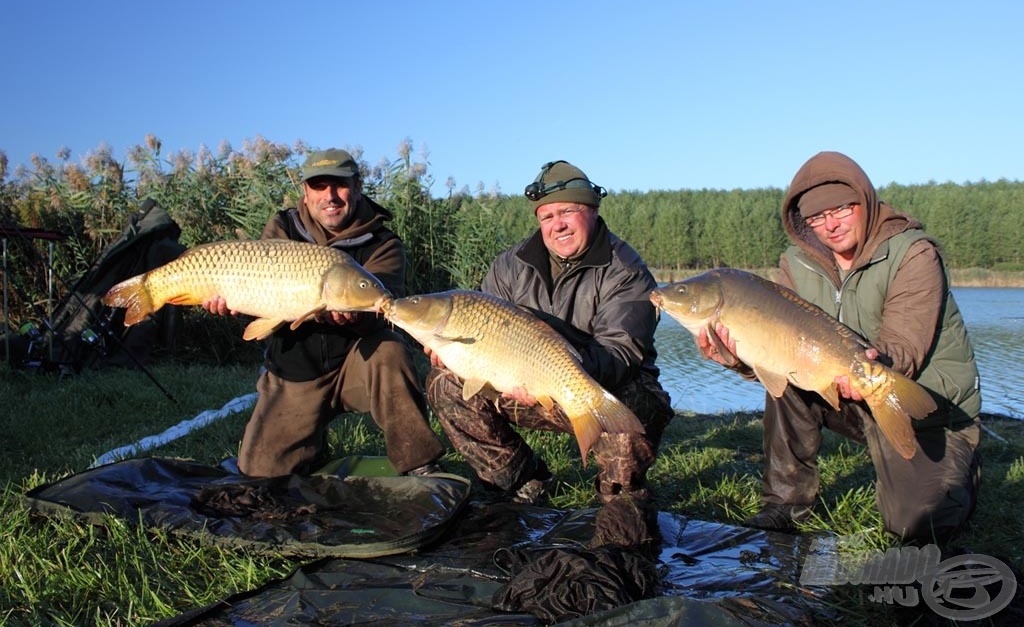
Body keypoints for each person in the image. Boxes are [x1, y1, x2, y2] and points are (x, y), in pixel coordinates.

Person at [699, 151, 982, 543]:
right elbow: (770, 349)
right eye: (816, 217)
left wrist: (866, 368)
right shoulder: (796, 265)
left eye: (841, 209)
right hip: (853, 394)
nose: (829, 225)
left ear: (864, 202)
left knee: (917, 526)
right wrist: (736, 361)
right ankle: (784, 504)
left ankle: (960, 462)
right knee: (787, 377)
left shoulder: (912, 253)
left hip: (925, 406)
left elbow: (905, 347)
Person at [424, 160, 676, 511]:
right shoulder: (510, 265)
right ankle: (522, 481)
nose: (557, 225)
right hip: (522, 385)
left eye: (568, 212)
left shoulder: (625, 269)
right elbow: (481, 335)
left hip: (606, 383)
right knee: (444, 381)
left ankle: (618, 497)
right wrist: (456, 355)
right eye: (547, 217)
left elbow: (620, 353)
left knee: (629, 408)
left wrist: (546, 373)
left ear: (591, 210)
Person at [204, 148, 445, 478]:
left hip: (357, 365)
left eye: (340, 185)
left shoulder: (383, 243)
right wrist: (227, 301)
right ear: (305, 192)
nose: (330, 196)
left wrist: (356, 314)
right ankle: (309, 448)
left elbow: (385, 305)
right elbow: (259, 299)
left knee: (390, 350)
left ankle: (420, 463)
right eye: (319, 186)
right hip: (295, 370)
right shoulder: (283, 228)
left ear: (358, 187)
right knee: (259, 471)